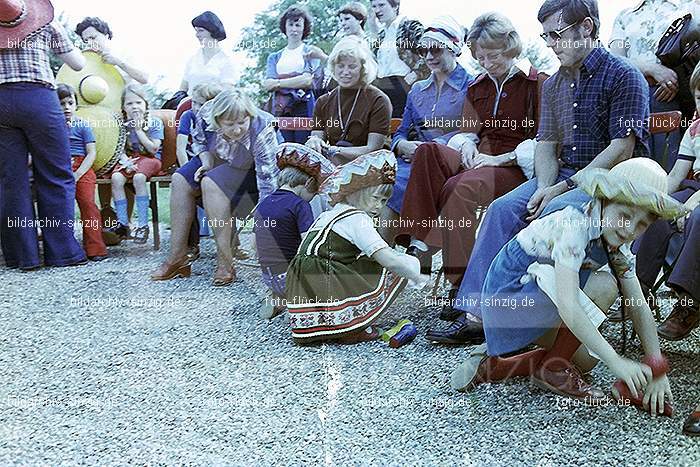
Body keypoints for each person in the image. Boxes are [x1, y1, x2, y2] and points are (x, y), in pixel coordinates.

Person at [432, 0, 651, 345]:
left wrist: (558, 189)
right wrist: (545, 185)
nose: (550, 44)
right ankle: (477, 314)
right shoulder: (553, 85)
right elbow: (546, 144)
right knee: (502, 211)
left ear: (587, 28)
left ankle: (535, 321)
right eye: (545, 36)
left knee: (552, 212)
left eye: (556, 35)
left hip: (611, 181)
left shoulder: (624, 75)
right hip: (560, 175)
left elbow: (621, 148)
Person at [451, 158, 686, 412]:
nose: (629, 229)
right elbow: (568, 305)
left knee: (586, 362)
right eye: (624, 216)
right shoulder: (573, 222)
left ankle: (496, 365)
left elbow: (638, 304)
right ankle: (550, 365)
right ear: (605, 199)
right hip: (509, 297)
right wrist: (616, 361)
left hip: (531, 302)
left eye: (641, 224)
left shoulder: (614, 235)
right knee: (605, 286)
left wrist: (656, 366)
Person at [395, 13, 545, 323]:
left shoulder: (537, 82)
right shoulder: (478, 87)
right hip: (482, 159)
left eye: (494, 55)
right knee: (428, 152)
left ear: (511, 46)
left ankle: (460, 285)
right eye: (481, 57)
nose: (488, 63)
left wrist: (498, 159)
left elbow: (545, 141)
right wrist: (467, 145)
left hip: (516, 164)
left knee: (458, 188)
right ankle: (420, 239)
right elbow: (466, 131)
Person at [285, 150, 429, 344]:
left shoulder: (331, 213)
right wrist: (415, 273)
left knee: (368, 259)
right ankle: (352, 326)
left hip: (301, 280)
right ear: (355, 194)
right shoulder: (358, 219)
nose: (379, 206)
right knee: (394, 264)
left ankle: (315, 324)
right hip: (324, 278)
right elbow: (386, 257)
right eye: (375, 198)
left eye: (384, 201)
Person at [151, 89, 282, 286]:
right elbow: (200, 141)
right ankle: (177, 258)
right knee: (179, 179)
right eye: (229, 124)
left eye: (241, 122)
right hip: (220, 160)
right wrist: (205, 161)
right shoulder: (204, 115)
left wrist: (261, 227)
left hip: (250, 172)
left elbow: (268, 181)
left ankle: (225, 262)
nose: (237, 129)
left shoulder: (262, 129)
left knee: (209, 182)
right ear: (217, 120)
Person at [1, 0, 88, 270]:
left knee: (10, 181)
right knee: (56, 174)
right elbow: (77, 63)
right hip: (39, 99)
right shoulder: (47, 23)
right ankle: (62, 253)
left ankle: (23, 256)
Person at [380, 16, 473, 243]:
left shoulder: (471, 85)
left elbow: (471, 130)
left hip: (448, 161)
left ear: (454, 49)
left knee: (397, 183)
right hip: (411, 159)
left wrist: (429, 148)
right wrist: (401, 144)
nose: (429, 57)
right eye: (424, 51)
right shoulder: (417, 89)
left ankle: (402, 254)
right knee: (381, 182)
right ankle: (387, 256)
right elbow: (401, 131)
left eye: (436, 50)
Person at [633, 62, 700, 339]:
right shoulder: (694, 130)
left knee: (697, 216)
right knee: (659, 208)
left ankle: (689, 302)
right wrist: (655, 195)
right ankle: (637, 290)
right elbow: (675, 176)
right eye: (699, 97)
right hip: (693, 185)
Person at [608, 0, 700, 170]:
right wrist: (651, 69)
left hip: (682, 102)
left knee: (671, 173)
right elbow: (615, 60)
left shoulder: (692, 6)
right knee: (632, 170)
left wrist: (679, 78)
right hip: (632, 101)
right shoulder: (626, 16)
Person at [254, 143, 335, 319]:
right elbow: (310, 245)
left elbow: (256, 244)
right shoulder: (300, 205)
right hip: (291, 277)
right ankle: (298, 305)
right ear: (309, 183)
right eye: (316, 191)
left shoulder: (263, 204)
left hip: (269, 276)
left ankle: (277, 299)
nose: (315, 196)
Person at [305, 36, 392, 165]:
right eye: (340, 66)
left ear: (363, 69)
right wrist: (314, 142)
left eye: (352, 66)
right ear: (333, 67)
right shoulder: (323, 102)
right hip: (333, 164)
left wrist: (335, 151)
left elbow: (373, 149)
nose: (345, 72)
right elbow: (317, 136)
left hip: (369, 166)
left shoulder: (378, 100)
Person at [105, 84, 164, 244]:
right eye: (129, 104)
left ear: (145, 104)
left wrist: (139, 130)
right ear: (124, 107)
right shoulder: (122, 124)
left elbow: (153, 149)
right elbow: (119, 146)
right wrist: (125, 160)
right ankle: (123, 223)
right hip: (131, 159)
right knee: (116, 177)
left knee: (139, 178)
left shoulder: (154, 122)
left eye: (138, 102)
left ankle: (143, 225)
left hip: (151, 159)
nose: (134, 107)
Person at [57, 83, 108, 261]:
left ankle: (96, 248)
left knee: (88, 205)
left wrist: (78, 173)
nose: (66, 108)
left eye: (70, 103)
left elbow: (91, 152)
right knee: (63, 206)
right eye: (61, 104)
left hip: (82, 166)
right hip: (60, 166)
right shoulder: (53, 126)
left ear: (76, 104)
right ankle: (65, 249)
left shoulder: (83, 125)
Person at [175, 82, 225, 260]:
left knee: (216, 191)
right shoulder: (189, 115)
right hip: (193, 159)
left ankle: (232, 245)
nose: (194, 107)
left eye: (199, 103)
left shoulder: (221, 120)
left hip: (218, 163)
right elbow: (181, 148)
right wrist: (185, 173)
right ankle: (190, 245)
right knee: (184, 187)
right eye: (193, 102)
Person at [263, 4, 322, 143]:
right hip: (281, 108)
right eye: (291, 24)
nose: (294, 29)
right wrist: (296, 80)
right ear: (285, 27)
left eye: (298, 25)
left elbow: (307, 81)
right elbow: (267, 84)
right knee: (284, 147)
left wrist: (278, 82)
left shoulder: (310, 51)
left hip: (303, 106)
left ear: (304, 28)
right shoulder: (274, 57)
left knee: (303, 148)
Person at [368, 0, 427, 118]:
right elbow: (376, 60)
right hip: (383, 86)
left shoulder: (409, 26)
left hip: (403, 84)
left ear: (395, 6)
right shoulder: (381, 34)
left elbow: (428, 51)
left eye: (381, 5)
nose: (377, 10)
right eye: (374, 6)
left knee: (403, 126)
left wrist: (416, 73)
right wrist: (373, 29)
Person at [179, 11, 238, 96]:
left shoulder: (227, 61)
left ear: (212, 31)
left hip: (213, 107)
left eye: (201, 31)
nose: (197, 35)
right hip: (191, 106)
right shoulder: (193, 59)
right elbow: (183, 89)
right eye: (196, 31)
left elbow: (226, 94)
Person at [75, 17, 148, 84]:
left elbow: (144, 78)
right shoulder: (87, 57)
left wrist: (118, 62)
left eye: (93, 37)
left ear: (105, 35)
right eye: (86, 41)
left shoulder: (125, 51)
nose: (90, 43)